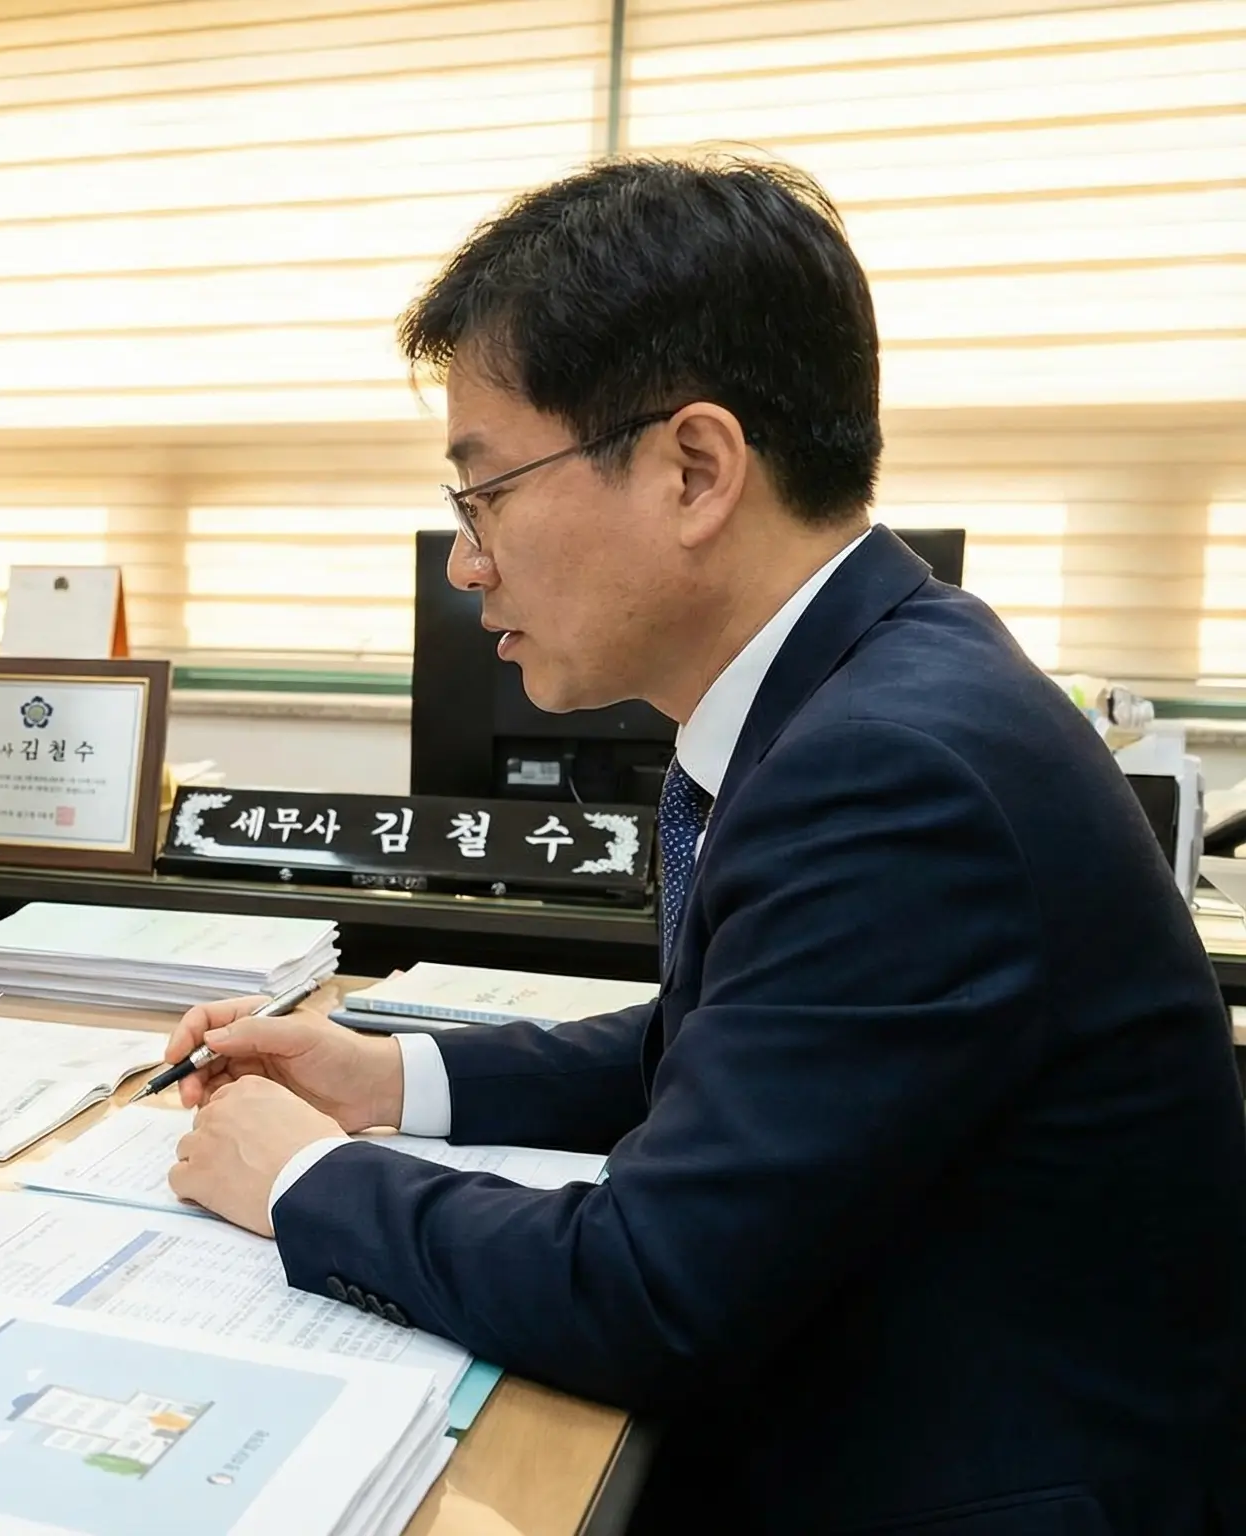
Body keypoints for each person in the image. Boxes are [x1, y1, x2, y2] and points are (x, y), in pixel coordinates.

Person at [160, 158, 1246, 1531]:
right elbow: (736, 1039)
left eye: (482, 493)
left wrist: (303, 1178)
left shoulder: (893, 770)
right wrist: (390, 1078)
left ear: (693, 469)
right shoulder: (880, 681)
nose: (465, 563)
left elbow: (651, 1292)